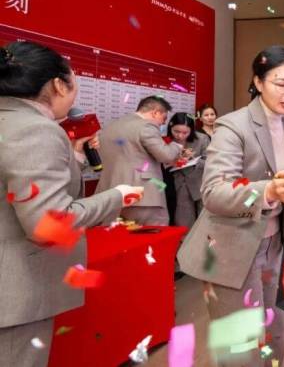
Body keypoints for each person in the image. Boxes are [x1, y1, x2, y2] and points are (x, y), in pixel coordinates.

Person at [178, 46, 284, 367]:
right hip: (230, 248)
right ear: (259, 83)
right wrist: (269, 191)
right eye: (281, 83)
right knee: (241, 348)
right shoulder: (233, 127)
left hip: (274, 245)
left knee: (275, 333)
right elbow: (214, 192)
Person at [0, 41, 143, 367]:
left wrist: (75, 155)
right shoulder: (36, 129)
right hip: (13, 294)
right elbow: (47, 225)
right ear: (58, 85)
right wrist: (117, 196)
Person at [96, 95, 183, 225]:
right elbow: (166, 156)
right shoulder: (147, 126)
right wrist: (177, 145)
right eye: (164, 118)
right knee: (155, 235)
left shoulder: (110, 127)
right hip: (144, 197)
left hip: (111, 196)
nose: (163, 123)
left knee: (120, 236)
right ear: (155, 113)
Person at [166, 112, 210, 228]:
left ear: (192, 130)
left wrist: (192, 159)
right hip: (179, 183)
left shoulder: (202, 139)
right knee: (183, 221)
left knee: (204, 219)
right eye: (176, 131)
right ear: (170, 127)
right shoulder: (166, 141)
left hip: (199, 181)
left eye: (185, 132)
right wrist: (176, 159)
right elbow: (162, 163)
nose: (180, 136)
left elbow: (210, 160)